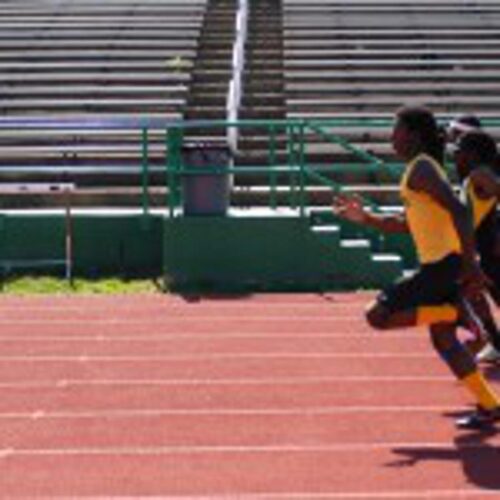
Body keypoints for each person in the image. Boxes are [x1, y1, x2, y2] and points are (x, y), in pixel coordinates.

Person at [332, 105, 500, 430]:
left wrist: (470, 266)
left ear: (413, 135)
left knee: (376, 316)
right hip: (445, 265)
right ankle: (490, 405)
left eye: (396, 130)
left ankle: (453, 313)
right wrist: (365, 218)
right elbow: (407, 222)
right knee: (445, 342)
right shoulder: (420, 170)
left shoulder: (422, 170)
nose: (391, 137)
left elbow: (460, 213)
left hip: (443, 266)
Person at [453, 130, 500, 363]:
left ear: (473, 153)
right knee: (471, 293)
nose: (454, 152)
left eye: (459, 147)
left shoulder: (480, 175)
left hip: (490, 248)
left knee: (474, 293)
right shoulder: (472, 176)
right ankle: (496, 341)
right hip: (481, 248)